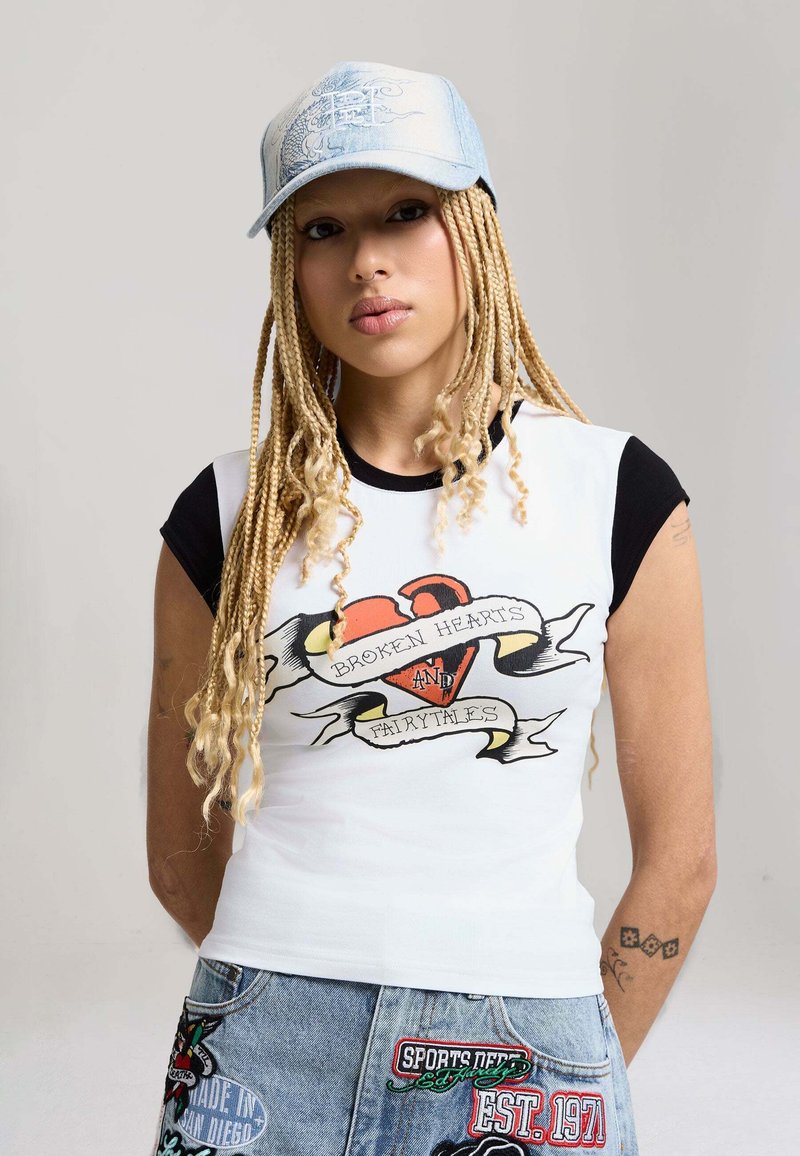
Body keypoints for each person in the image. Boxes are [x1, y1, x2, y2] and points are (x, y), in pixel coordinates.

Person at [147, 60, 715, 1156]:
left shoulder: (617, 494)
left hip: (525, 1037)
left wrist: (575, 1057)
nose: (367, 260)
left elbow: (680, 860)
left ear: (477, 229)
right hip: (268, 1039)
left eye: (407, 212)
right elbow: (179, 849)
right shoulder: (225, 515)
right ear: (290, 266)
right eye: (322, 229)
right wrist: (290, 973)